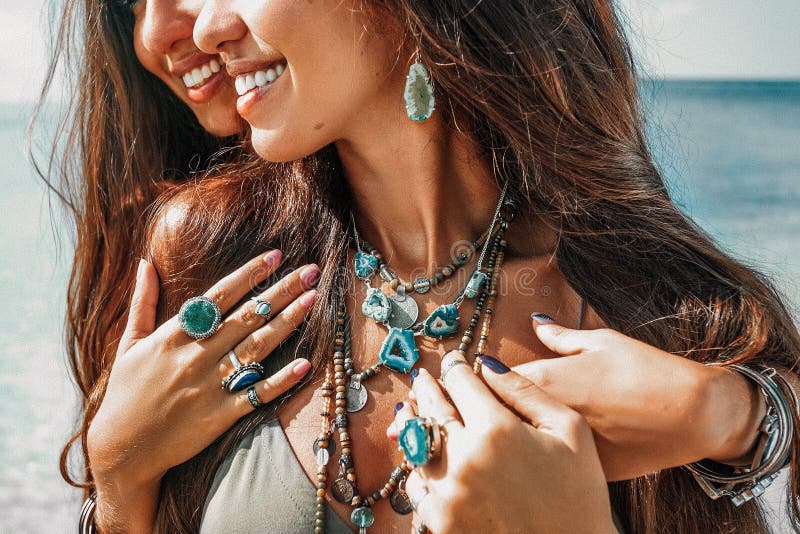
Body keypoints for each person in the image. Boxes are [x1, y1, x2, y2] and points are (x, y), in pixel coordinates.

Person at [56, 1, 800, 533]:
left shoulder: (637, 299)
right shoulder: (212, 258)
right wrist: (118, 479)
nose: (207, 26)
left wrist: (725, 414)